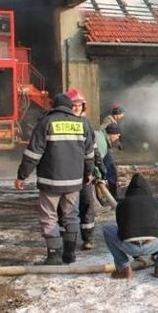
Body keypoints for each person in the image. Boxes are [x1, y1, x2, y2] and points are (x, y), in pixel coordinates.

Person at [14, 93, 95, 265]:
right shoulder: (82, 124)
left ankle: (54, 256)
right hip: (74, 181)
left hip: (50, 181)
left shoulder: (46, 122)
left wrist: (22, 175)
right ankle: (70, 254)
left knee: (49, 216)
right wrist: (89, 172)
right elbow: (89, 153)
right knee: (72, 216)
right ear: (70, 107)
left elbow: (33, 153)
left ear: (54, 106)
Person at [103, 173, 158, 279]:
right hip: (152, 245)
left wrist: (135, 253)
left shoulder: (121, 204)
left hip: (129, 247)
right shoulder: (154, 202)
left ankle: (123, 268)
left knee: (107, 230)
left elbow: (121, 227)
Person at [66, 87, 105, 250]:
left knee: (87, 204)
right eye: (73, 105)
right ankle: (68, 240)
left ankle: (88, 238)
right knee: (68, 208)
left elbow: (93, 147)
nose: (77, 108)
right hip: (67, 172)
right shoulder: (63, 123)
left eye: (79, 105)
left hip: (84, 173)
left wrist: (99, 166)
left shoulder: (86, 123)